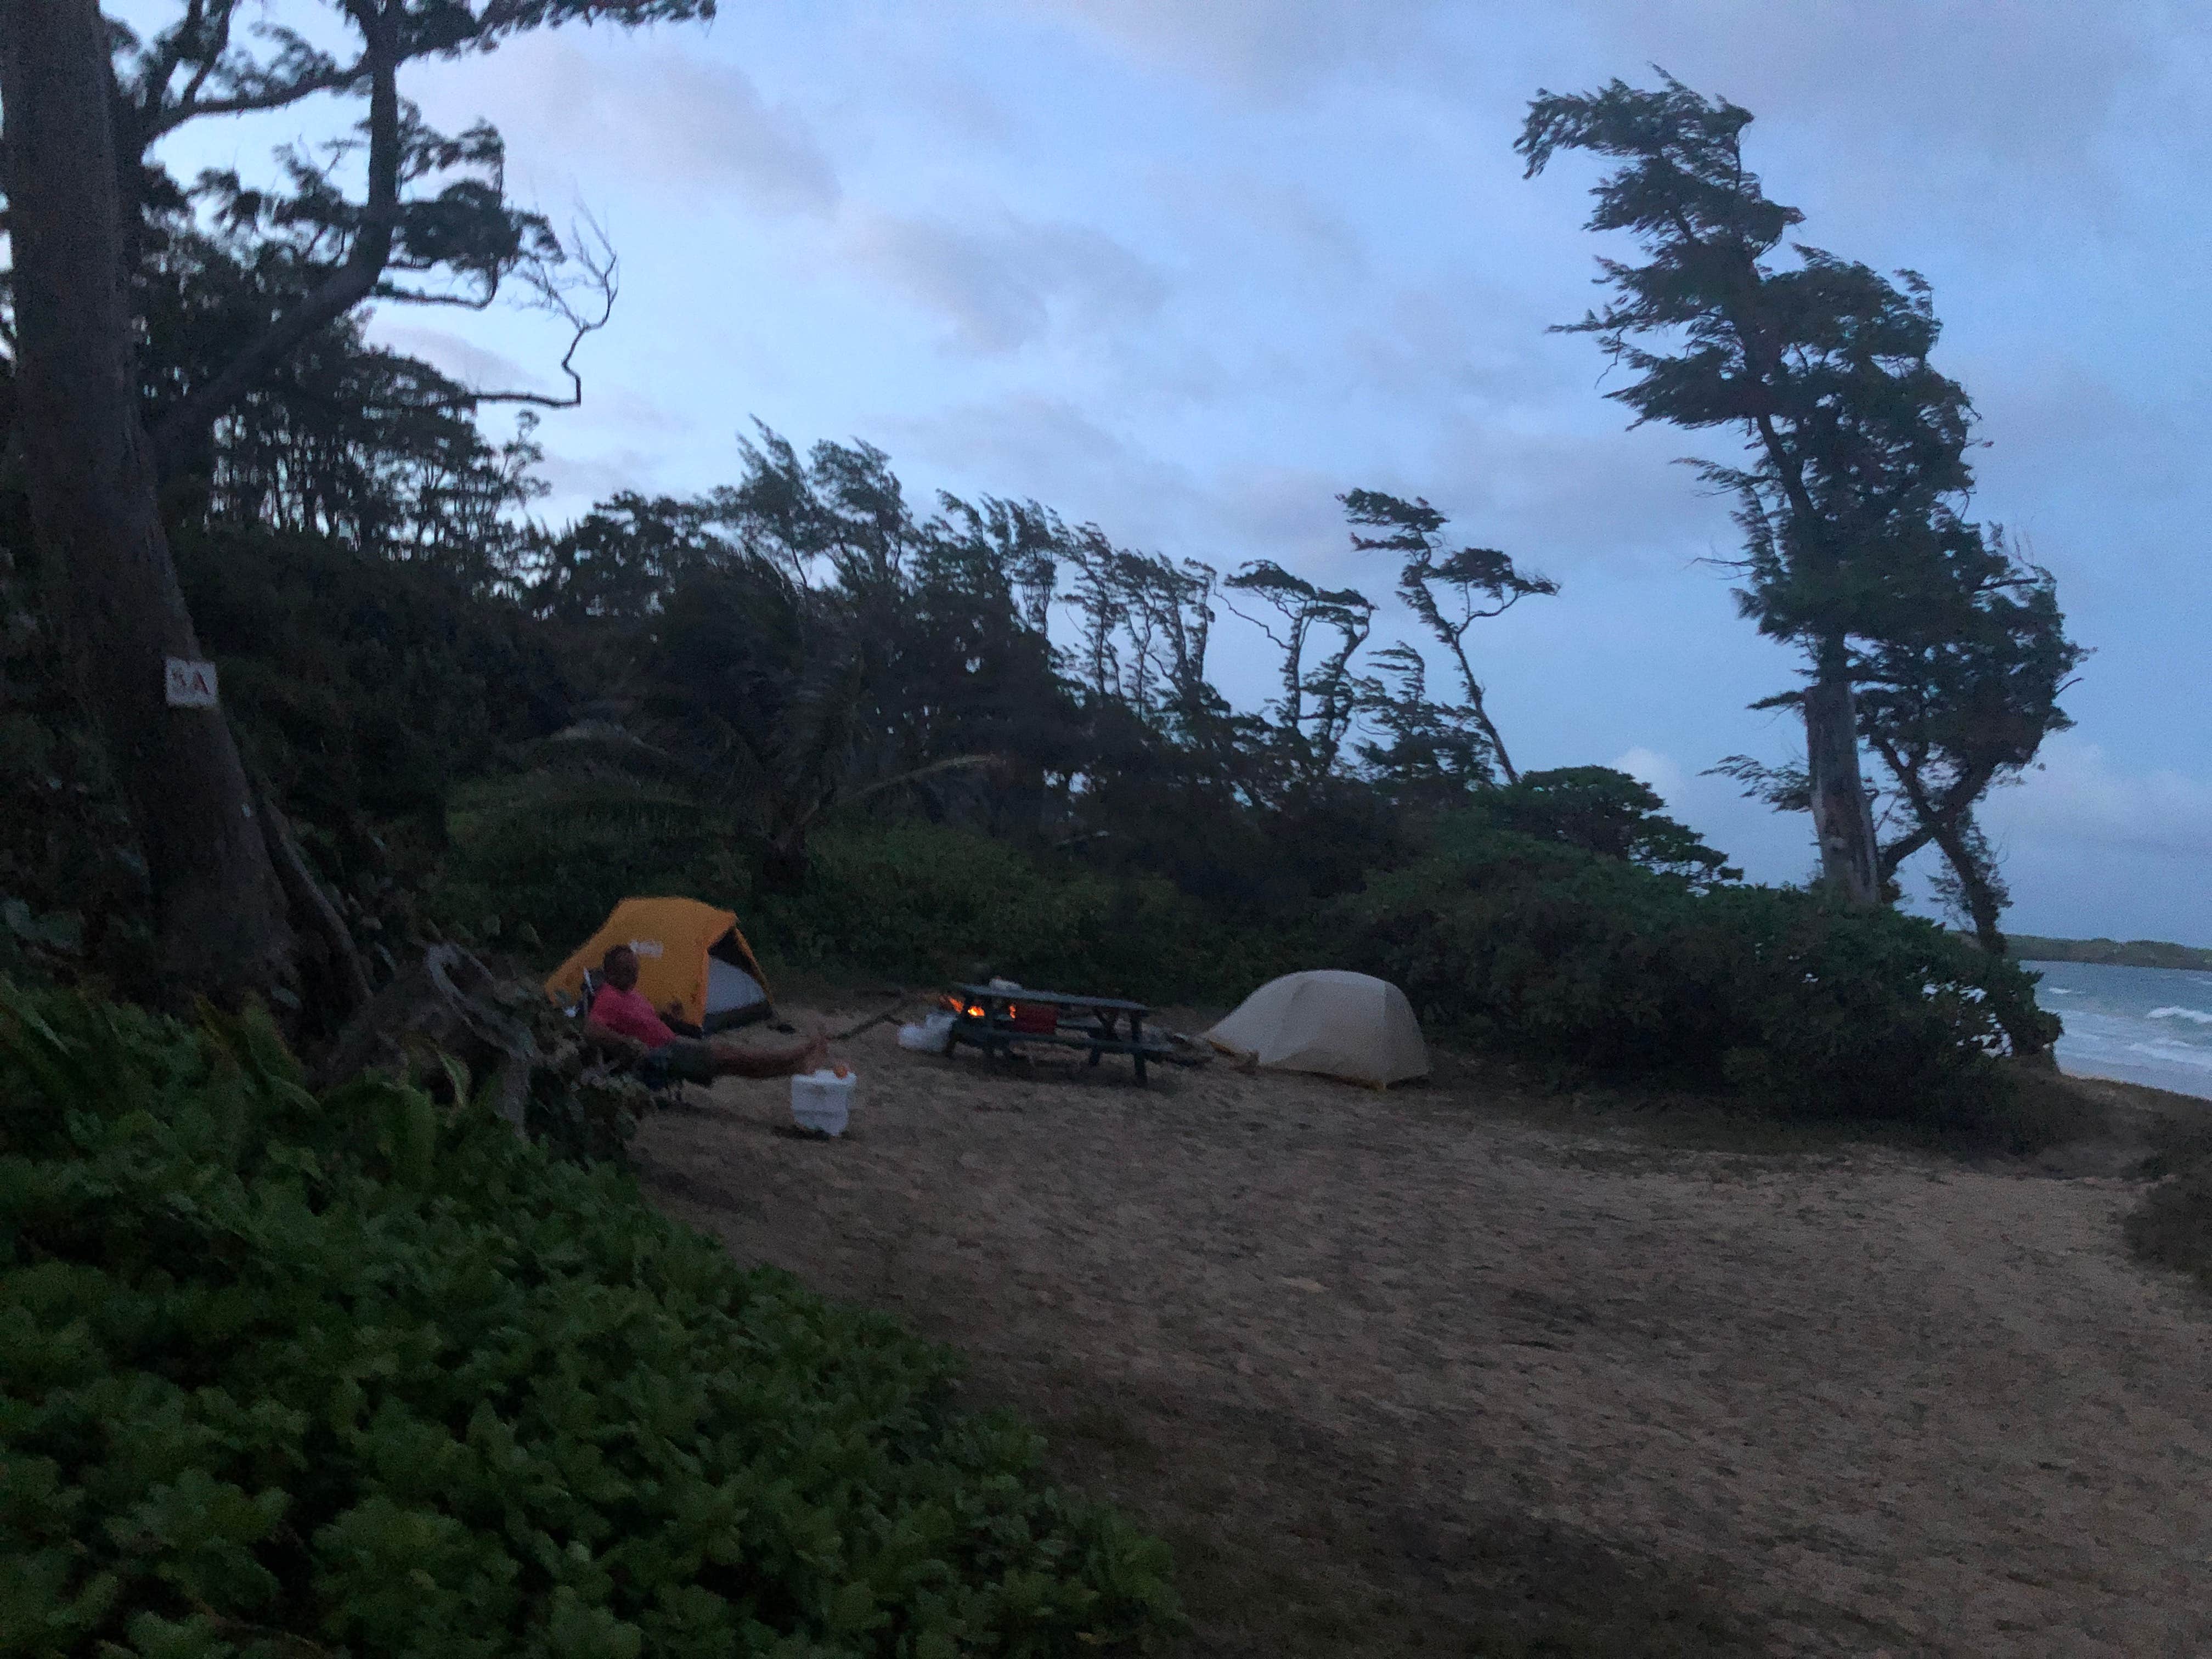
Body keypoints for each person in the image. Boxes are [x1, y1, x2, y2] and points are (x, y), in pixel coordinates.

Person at [584, 944, 829, 1082]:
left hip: (672, 1045)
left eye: (635, 970)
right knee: (730, 1058)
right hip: (661, 1058)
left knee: (732, 1060)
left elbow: (642, 1021)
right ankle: (797, 1055)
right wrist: (630, 1046)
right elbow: (592, 1030)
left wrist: (669, 1017)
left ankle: (796, 1064)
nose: (634, 976)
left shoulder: (629, 992)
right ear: (611, 972)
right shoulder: (608, 997)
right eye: (628, 971)